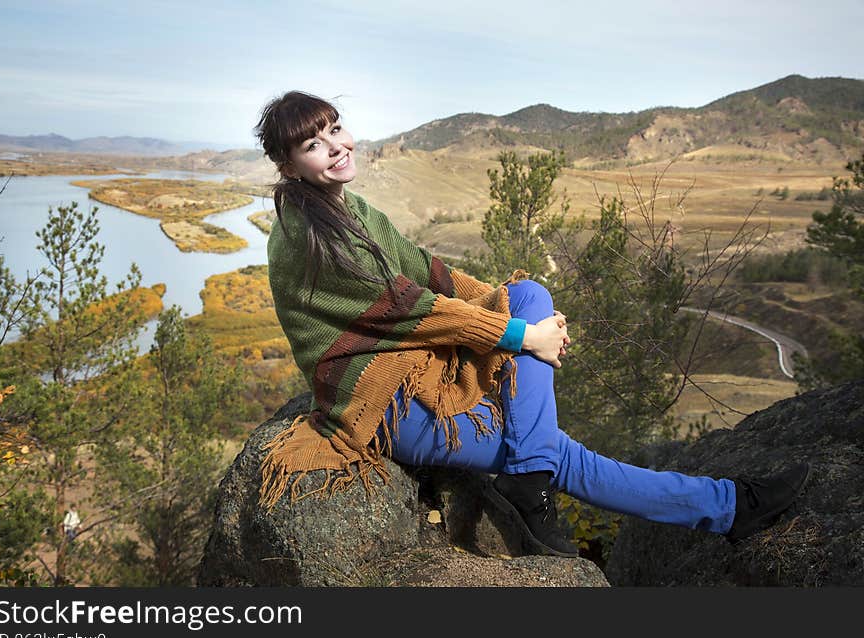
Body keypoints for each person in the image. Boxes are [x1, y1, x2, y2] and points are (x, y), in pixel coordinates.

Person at [254, 90, 810, 558]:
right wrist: (525, 337)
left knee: (530, 291)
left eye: (335, 129)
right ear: (288, 164)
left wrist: (507, 306)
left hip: (416, 369)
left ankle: (528, 472)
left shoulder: (350, 209)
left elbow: (427, 269)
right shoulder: (307, 234)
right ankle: (729, 506)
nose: (335, 147)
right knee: (556, 453)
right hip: (385, 404)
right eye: (313, 144)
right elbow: (410, 310)